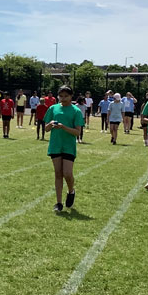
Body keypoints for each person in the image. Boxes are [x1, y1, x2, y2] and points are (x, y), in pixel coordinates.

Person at [44, 85, 84, 213]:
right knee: (58, 173)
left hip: (68, 146)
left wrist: (64, 127)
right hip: (56, 145)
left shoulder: (76, 111)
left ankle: (71, 191)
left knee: (67, 173)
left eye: (66, 96)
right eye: (61, 96)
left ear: (71, 96)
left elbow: (77, 132)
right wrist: (50, 125)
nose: (63, 98)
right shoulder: (53, 108)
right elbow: (46, 128)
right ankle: (59, 202)